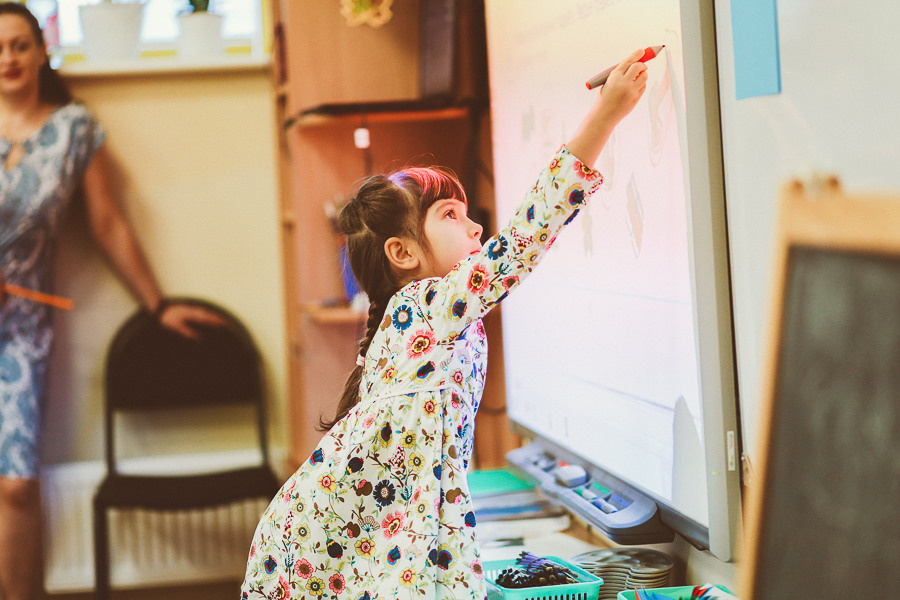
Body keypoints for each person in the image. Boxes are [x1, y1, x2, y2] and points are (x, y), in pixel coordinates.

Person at [241, 48, 649, 600]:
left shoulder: (410, 316)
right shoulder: (423, 307)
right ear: (403, 253)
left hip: (345, 540)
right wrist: (606, 116)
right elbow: (520, 246)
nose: (476, 227)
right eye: (451, 216)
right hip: (323, 546)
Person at [0, 4, 224, 599]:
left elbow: (108, 224)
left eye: (20, 44)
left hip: (21, 329)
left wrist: (157, 306)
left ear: (42, 48)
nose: (8, 58)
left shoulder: (75, 127)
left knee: (16, 484)